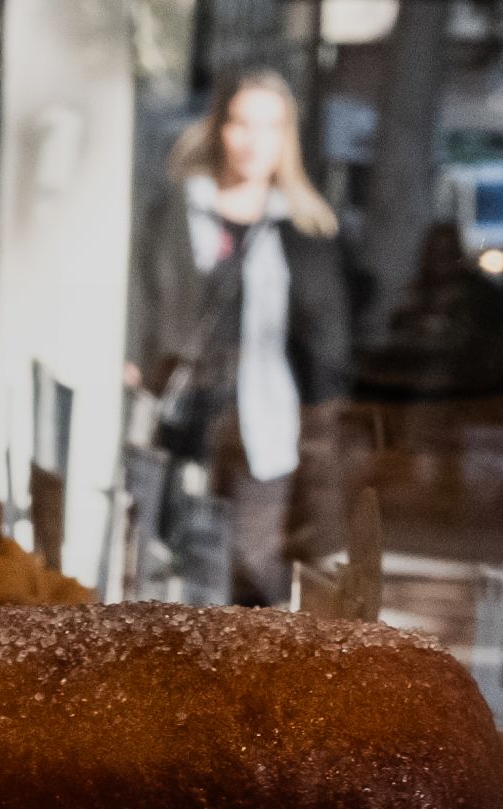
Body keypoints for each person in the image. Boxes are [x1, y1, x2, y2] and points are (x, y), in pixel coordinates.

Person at [132, 68, 358, 607]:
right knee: (175, 566)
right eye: (241, 123)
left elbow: (328, 342)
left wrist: (325, 428)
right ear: (218, 128)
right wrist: (138, 361)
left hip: (267, 426)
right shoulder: (176, 211)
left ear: (289, 138)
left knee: (253, 573)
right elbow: (141, 296)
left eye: (271, 126)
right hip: (187, 416)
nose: (255, 141)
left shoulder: (307, 225)